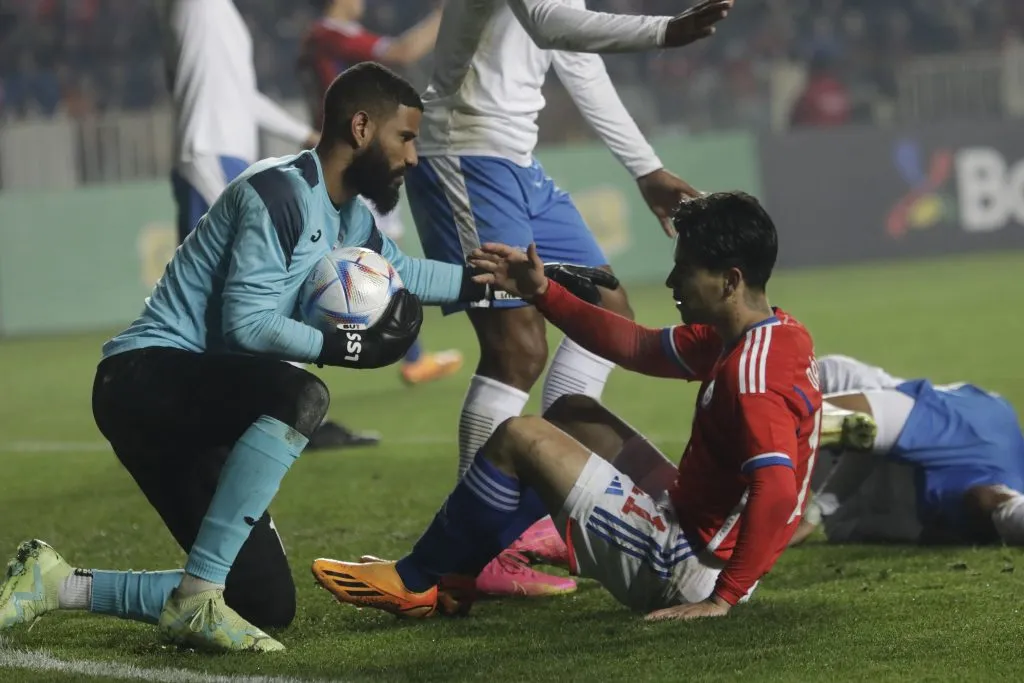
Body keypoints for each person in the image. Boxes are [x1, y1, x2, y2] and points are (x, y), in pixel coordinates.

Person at [0, 63, 508, 653]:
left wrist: (523, 284)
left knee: (265, 603)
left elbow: (409, 274)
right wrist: (347, 348)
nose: (412, 157)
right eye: (406, 138)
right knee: (302, 395)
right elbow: (248, 324)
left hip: (207, 405)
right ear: (362, 127)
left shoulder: (351, 218)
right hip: (142, 379)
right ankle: (197, 598)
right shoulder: (279, 191)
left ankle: (57, 585)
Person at [311, 192, 846, 621]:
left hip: (688, 563)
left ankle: (416, 578)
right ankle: (462, 571)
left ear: (730, 280)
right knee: (570, 413)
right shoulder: (767, 333)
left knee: (520, 435)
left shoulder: (752, 375)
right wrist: (543, 292)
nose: (671, 281)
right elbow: (635, 346)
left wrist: (721, 599)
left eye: (684, 270)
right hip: (696, 524)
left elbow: (775, 491)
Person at [403, 0, 735, 598]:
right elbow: (546, 21)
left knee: (606, 311)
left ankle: (550, 506)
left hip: (514, 157)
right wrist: (663, 32)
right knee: (516, 351)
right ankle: (474, 555)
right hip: (462, 148)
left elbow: (575, 57)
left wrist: (645, 168)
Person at [159, 0, 375, 450]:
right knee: (274, 283)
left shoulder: (221, 16)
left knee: (228, 299)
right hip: (210, 154)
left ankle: (238, 419)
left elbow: (241, 95)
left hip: (219, 155)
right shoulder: (202, 9)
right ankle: (288, 413)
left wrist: (303, 135)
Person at [299, 0, 464, 387]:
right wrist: (451, 12)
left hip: (343, 156)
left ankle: (413, 356)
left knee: (371, 258)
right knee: (375, 261)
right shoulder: (332, 33)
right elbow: (402, 51)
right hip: (357, 157)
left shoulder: (315, 39)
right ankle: (408, 357)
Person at [789, 355, 1024, 547]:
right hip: (849, 418)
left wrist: (818, 511)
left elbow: (996, 504)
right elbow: (865, 425)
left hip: (858, 510)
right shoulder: (977, 426)